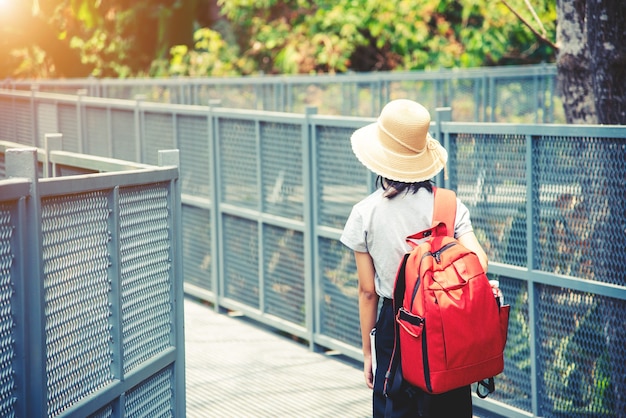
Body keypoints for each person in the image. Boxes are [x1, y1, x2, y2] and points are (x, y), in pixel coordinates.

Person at [340, 99, 492, 417]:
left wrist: (369, 354)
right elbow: (478, 262)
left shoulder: (364, 214)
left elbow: (367, 291)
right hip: (445, 325)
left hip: (394, 327)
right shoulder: (450, 206)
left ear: (379, 158)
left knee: (396, 407)